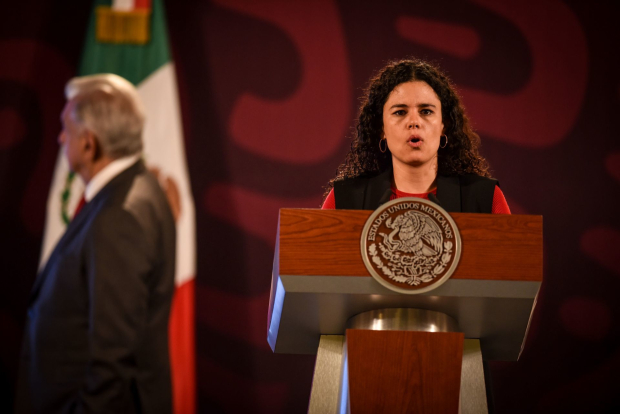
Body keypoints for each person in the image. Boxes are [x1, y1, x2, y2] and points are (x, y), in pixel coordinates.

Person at [15, 74, 176, 414]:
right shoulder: (134, 189)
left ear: (89, 143)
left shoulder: (120, 216)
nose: (60, 139)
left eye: (66, 130)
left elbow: (113, 357)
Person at [322, 58, 510, 214]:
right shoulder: (344, 200)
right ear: (381, 129)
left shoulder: (485, 198)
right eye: (400, 112)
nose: (414, 122)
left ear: (444, 125)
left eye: (426, 111)